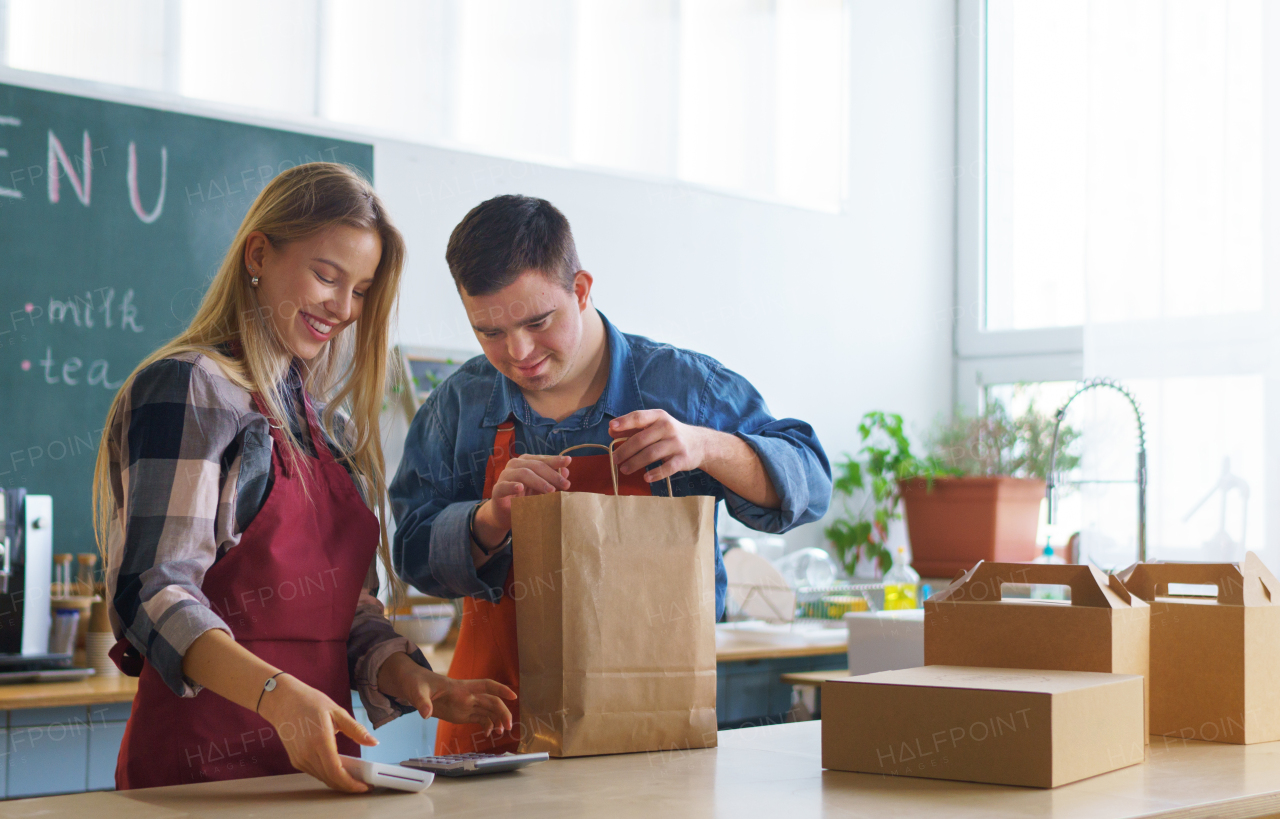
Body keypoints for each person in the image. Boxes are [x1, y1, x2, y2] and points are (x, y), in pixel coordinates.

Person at [94, 163, 514, 793]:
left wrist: (417, 679)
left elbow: (348, 614)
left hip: (319, 775)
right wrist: (275, 695)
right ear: (258, 253)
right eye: (326, 275)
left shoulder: (332, 431)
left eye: (363, 290)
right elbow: (153, 590)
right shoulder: (191, 388)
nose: (344, 309)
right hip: (200, 776)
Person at [390, 194, 831, 756]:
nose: (518, 351)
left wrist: (707, 446)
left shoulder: (683, 387)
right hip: (495, 743)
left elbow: (811, 482)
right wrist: (486, 522)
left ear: (580, 289)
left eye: (537, 321)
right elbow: (409, 553)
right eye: (490, 333)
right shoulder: (458, 406)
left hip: (649, 733)